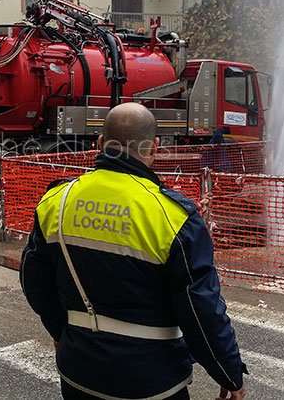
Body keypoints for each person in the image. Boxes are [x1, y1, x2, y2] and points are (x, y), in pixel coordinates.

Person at [21, 103, 247, 400]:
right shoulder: (173, 216)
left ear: (100, 144)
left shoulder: (57, 201)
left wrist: (63, 333)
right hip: (153, 382)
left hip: (79, 374)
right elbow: (201, 309)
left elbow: (34, 282)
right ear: (154, 148)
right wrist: (228, 373)